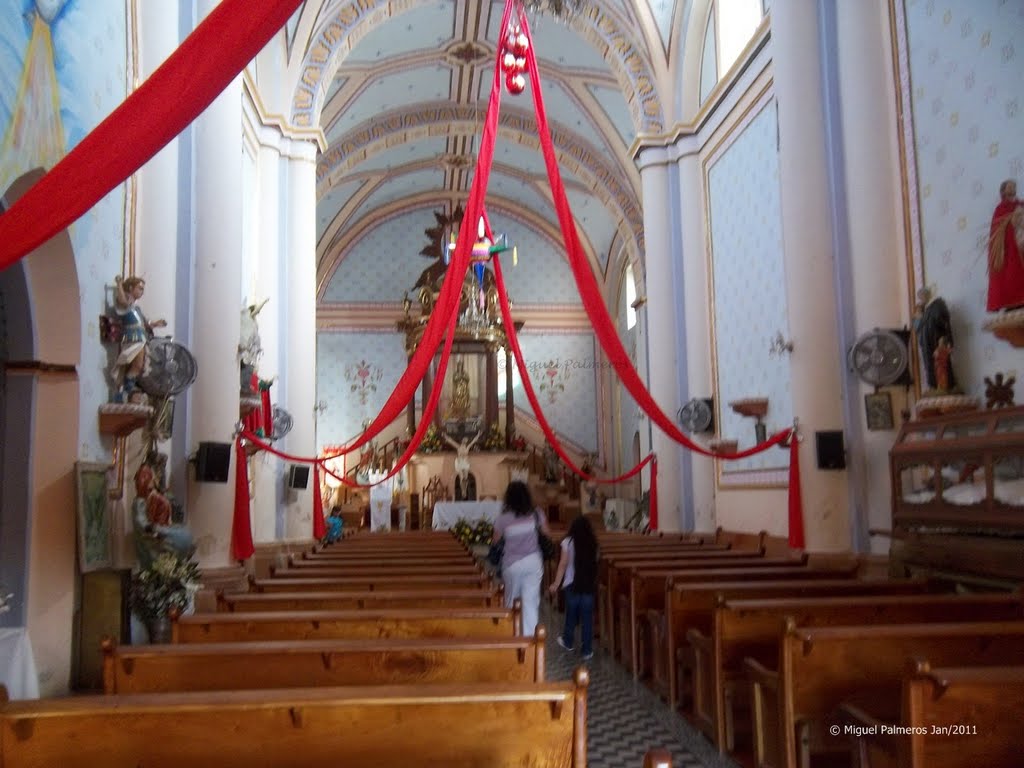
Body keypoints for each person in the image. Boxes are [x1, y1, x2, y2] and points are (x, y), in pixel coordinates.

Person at [491, 481, 550, 638]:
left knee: (512, 600)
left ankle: (512, 636)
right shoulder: (537, 514)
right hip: (533, 562)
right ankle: (530, 640)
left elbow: (495, 542)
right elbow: (546, 534)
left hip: (512, 564)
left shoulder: (502, 519)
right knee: (530, 602)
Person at [548, 515, 599, 660]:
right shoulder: (593, 542)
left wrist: (556, 584)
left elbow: (563, 564)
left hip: (572, 584)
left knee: (571, 615)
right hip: (588, 585)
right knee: (587, 618)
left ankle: (568, 641)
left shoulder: (568, 542)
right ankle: (587, 650)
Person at [111, 275, 166, 402]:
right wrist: (119, 284)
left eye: (143, 289)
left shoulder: (137, 308)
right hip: (132, 338)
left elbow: (146, 323)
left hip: (141, 338)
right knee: (136, 365)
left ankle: (128, 389)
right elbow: (123, 301)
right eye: (139, 288)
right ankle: (126, 390)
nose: (142, 292)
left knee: (139, 367)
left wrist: (156, 323)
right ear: (130, 288)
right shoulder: (126, 304)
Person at [132, 463, 194, 570]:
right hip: (151, 533)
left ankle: (174, 569)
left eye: (146, 477)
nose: (142, 481)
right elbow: (140, 522)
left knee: (186, 535)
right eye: (141, 478)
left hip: (160, 527)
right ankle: (165, 570)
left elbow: (171, 505)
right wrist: (153, 528)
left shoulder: (156, 495)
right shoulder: (139, 502)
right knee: (179, 539)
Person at [987, 179, 1024, 312]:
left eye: (1014, 186)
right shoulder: (1000, 209)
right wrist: (1012, 222)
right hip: (1010, 251)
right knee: (1012, 276)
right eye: (1010, 186)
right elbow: (997, 234)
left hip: (1022, 246)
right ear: (1003, 191)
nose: (1013, 188)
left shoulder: (1021, 204)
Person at [913, 286, 956, 393]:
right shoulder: (925, 309)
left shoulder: (937, 305)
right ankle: (933, 386)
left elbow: (943, 323)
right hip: (927, 343)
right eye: (920, 297)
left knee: (941, 365)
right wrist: (918, 315)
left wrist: (944, 340)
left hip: (936, 341)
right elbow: (918, 327)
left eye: (922, 296)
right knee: (929, 365)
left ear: (928, 295)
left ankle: (946, 386)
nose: (921, 299)